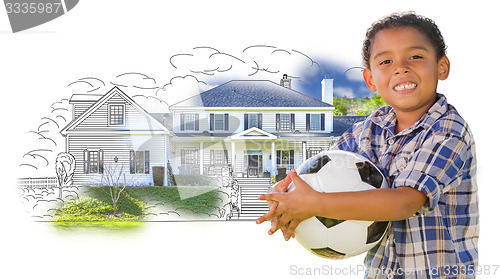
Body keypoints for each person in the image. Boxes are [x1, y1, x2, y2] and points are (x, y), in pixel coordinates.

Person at [256, 12, 479, 278]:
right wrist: (289, 192)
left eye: (415, 56)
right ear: (370, 79)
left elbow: (403, 203)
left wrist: (314, 203)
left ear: (442, 66)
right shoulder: (370, 129)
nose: (401, 67)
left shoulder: (449, 131)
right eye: (386, 61)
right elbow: (326, 168)